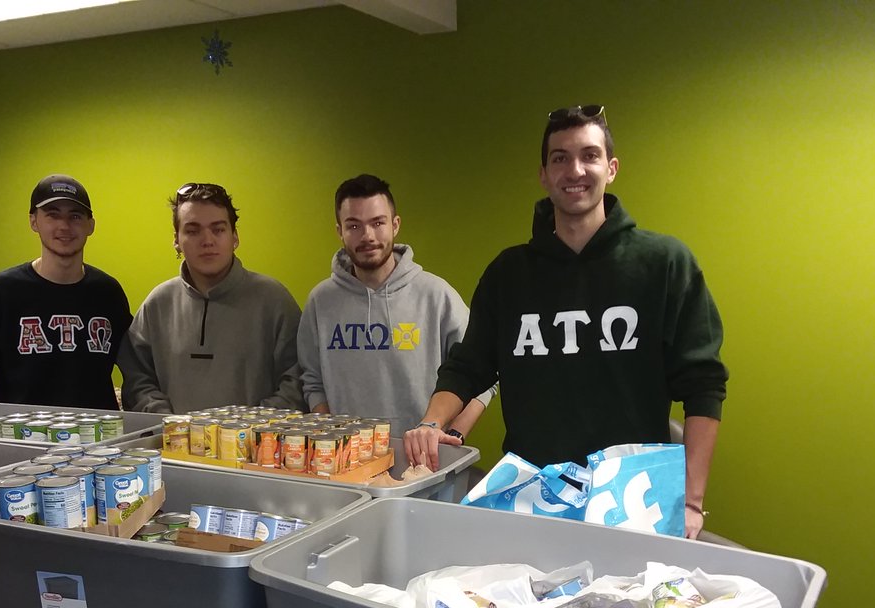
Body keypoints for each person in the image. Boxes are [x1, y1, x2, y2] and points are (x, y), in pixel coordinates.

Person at [404, 105, 728, 539]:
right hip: (532, 496)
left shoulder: (664, 264)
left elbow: (703, 385)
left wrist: (690, 501)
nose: (575, 169)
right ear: (543, 174)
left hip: (631, 498)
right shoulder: (508, 274)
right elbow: (468, 367)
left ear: (611, 168)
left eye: (589, 155)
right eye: (560, 158)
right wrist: (430, 423)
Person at [296, 174, 495, 439]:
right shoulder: (320, 302)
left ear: (395, 225)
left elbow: (484, 375)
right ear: (339, 231)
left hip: (425, 466)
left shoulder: (436, 296)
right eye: (353, 226)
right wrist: (330, 440)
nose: (367, 236)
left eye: (378, 223)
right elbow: (312, 381)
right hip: (346, 468)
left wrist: (453, 435)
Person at [0, 174, 131, 415]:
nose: (64, 226)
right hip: (22, 435)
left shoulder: (107, 293)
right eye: (52, 215)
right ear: (34, 221)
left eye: (75, 216)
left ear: (90, 225)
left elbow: (139, 362)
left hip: (98, 437)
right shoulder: (3, 291)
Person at [118, 182, 304, 413]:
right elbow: (137, 380)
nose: (207, 241)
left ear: (235, 237)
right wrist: (168, 424)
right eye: (193, 230)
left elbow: (297, 383)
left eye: (218, 229)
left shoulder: (275, 301)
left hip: (253, 446)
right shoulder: (157, 304)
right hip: (172, 445)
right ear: (176, 240)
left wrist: (248, 428)